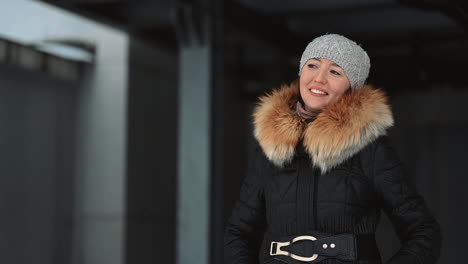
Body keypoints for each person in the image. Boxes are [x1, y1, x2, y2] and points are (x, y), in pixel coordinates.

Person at [224, 34, 442, 264]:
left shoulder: (369, 148)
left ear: (351, 87)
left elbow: (424, 232)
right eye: (313, 65)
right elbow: (238, 233)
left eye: (335, 72)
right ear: (301, 73)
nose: (319, 78)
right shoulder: (271, 147)